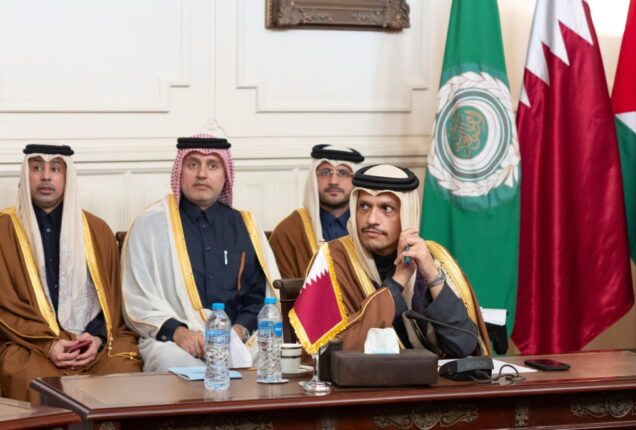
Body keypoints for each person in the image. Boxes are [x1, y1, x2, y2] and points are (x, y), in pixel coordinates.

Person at [0, 144, 141, 402]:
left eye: (55, 169)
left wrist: (96, 338)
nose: (46, 176)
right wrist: (48, 345)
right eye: (37, 168)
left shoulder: (97, 230)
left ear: (67, 176)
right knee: (29, 377)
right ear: (25, 175)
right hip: (25, 344)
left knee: (124, 367)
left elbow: (112, 302)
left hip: (89, 343)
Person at [122, 134, 280, 371]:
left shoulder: (245, 226)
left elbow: (260, 297)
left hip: (237, 339)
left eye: (213, 165)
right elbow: (138, 299)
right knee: (172, 363)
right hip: (176, 342)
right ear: (179, 171)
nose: (202, 174)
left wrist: (237, 333)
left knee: (274, 356)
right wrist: (180, 333)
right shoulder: (151, 225)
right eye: (193, 164)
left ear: (226, 175)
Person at [319, 164, 490, 358]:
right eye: (364, 206)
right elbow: (331, 349)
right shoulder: (332, 261)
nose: (371, 219)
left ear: (406, 214)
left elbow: (464, 345)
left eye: (386, 208)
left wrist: (432, 276)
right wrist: (398, 280)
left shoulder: (431, 257)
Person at [269, 144, 364, 278]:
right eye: (325, 172)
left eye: (343, 173)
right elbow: (281, 287)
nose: (333, 181)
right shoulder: (288, 231)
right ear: (313, 178)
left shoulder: (369, 227)